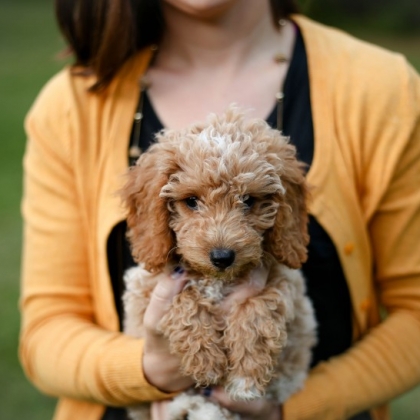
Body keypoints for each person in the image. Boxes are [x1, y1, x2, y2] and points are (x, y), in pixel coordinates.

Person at [19, 0, 420, 419]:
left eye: (250, 201)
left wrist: (294, 408)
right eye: (191, 201)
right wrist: (149, 369)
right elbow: (44, 333)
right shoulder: (70, 106)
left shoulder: (383, 89)